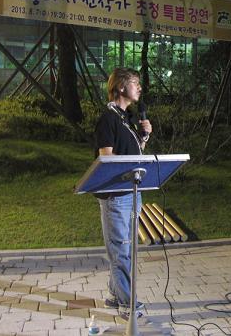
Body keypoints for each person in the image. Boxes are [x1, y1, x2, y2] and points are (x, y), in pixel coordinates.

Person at [94, 67, 152, 317]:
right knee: (121, 251)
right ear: (120, 87)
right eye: (134, 83)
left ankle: (115, 294)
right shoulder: (108, 118)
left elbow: (134, 153)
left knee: (124, 250)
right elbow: (107, 157)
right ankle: (127, 304)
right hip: (116, 195)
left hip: (133, 191)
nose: (139, 88)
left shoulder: (125, 118)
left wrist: (144, 136)